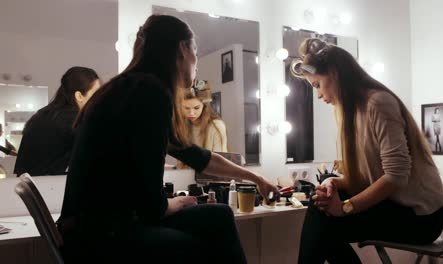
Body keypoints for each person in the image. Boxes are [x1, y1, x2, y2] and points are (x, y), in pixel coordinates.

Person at [57, 15, 279, 263]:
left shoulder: (129, 89)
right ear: (183, 49)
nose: (196, 63)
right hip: (100, 236)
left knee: (220, 215)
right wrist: (176, 203)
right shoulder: (150, 92)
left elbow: (197, 156)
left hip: (91, 228)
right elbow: (152, 207)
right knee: (206, 244)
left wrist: (256, 178)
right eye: (195, 51)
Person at [290, 38, 443, 264]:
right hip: (397, 206)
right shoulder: (354, 112)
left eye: (317, 85)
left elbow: (395, 177)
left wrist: (344, 208)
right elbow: (367, 176)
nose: (318, 95)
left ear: (334, 73)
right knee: (322, 208)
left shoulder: (378, 103)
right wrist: (334, 183)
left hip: (422, 217)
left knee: (324, 221)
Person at [14, 66, 100, 176]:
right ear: (79, 96)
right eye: (95, 93)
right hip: (50, 187)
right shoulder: (75, 119)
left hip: (28, 186)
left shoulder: (43, 114)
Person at [183, 79, 227, 152]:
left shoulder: (216, 126)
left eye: (196, 108)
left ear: (204, 106)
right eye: (186, 108)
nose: (191, 113)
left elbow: (219, 160)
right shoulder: (183, 125)